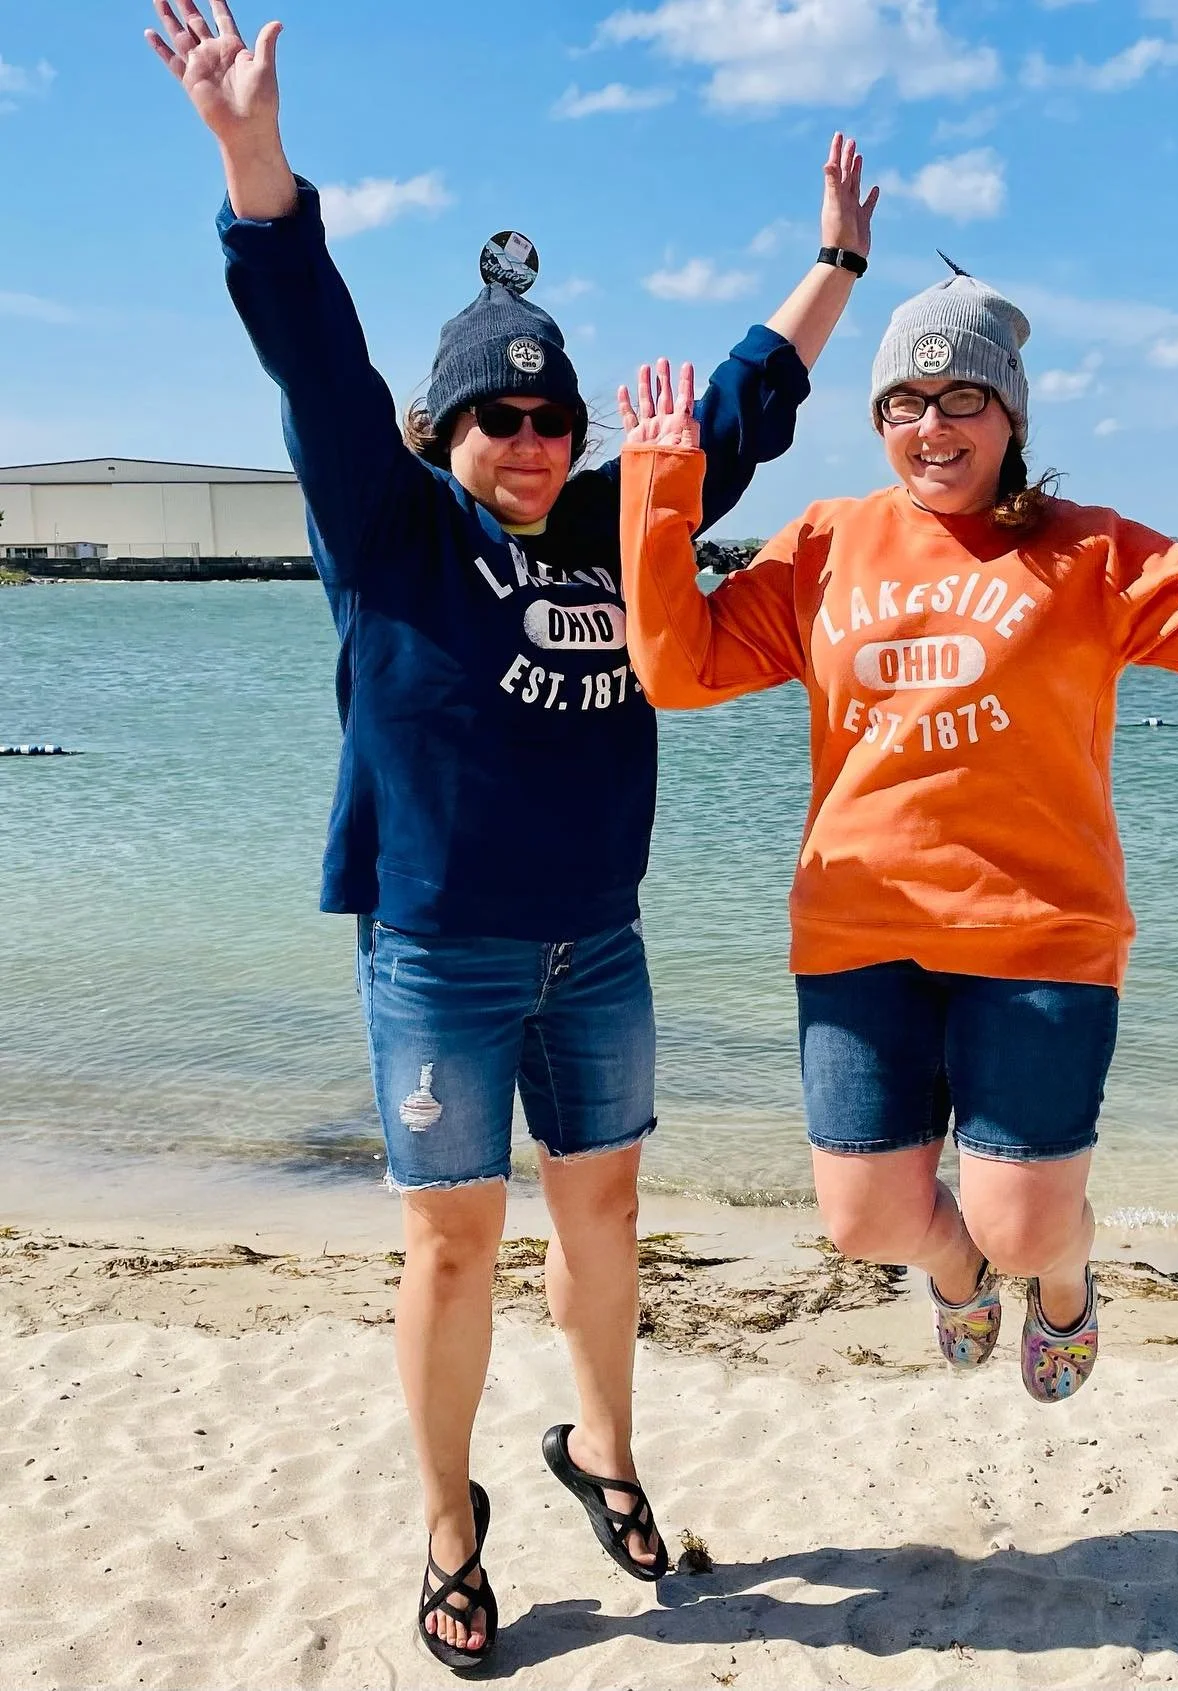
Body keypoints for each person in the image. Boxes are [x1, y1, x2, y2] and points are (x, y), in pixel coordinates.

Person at [144, 0, 878, 1671]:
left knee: (608, 1217)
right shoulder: (390, 528)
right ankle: (448, 1524)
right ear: (453, 432)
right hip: (436, 953)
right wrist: (251, 156)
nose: (534, 448)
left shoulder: (626, 521)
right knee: (455, 1240)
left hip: (597, 948)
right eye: (502, 424)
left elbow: (743, 412)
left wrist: (831, 262)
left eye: (554, 423)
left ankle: (604, 1450)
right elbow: (313, 350)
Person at [617, 261, 1178, 1412]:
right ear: (880, 419)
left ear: (1011, 414)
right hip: (858, 932)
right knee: (870, 1218)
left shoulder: (1088, 552)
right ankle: (955, 1271)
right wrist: (658, 488)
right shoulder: (828, 543)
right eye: (904, 404)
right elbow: (676, 669)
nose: (931, 427)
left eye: (959, 399)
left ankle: (1063, 1273)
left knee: (1028, 1227)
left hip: (1041, 933)